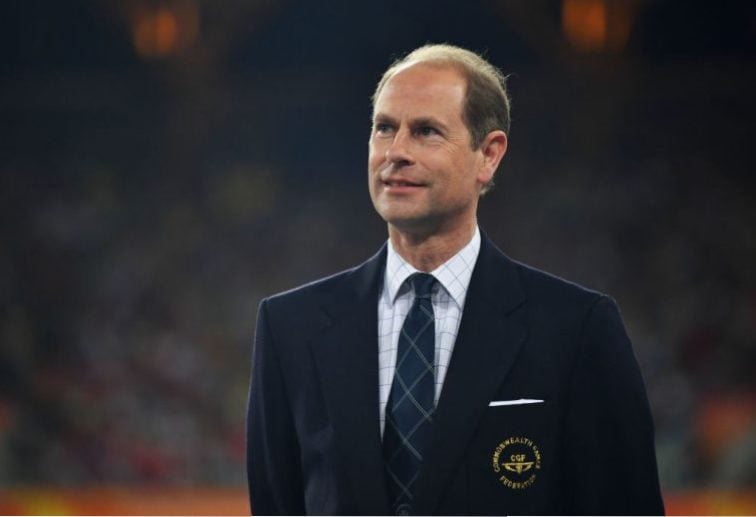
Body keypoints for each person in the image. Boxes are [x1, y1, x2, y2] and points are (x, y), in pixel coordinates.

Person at [246, 44, 664, 516]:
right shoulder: (290, 327)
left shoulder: (577, 329)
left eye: (425, 131)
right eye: (384, 128)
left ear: (488, 155)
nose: (396, 151)